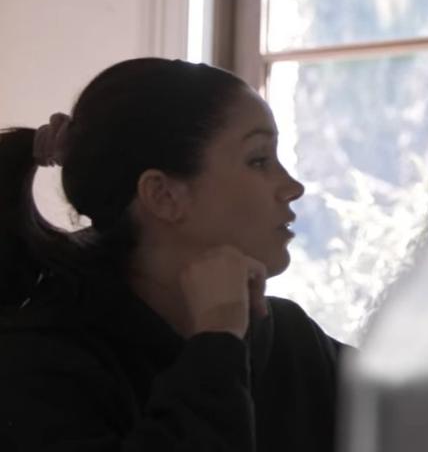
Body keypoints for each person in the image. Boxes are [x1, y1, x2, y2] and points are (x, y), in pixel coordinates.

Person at [0, 58, 343, 451]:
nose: (292, 187)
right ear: (163, 196)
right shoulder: (37, 368)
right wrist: (216, 342)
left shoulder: (289, 337)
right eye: (259, 160)